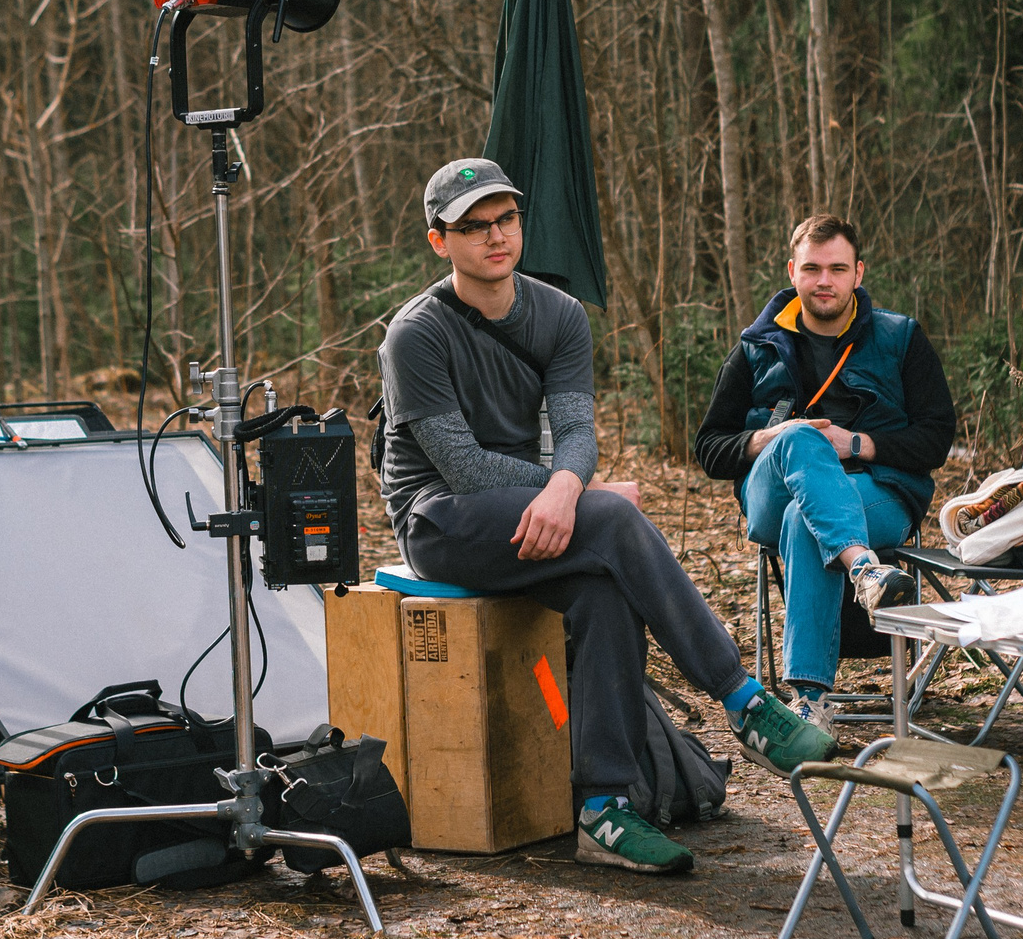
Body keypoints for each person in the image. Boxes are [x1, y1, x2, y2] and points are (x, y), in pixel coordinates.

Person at [378, 158, 837, 875]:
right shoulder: (416, 334)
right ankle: (743, 699)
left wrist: (567, 487)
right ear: (441, 241)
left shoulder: (559, 315)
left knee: (604, 592)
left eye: (505, 218)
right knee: (614, 525)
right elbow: (462, 468)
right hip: (441, 519)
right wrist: (572, 492)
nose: (495, 237)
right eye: (473, 226)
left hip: (531, 509)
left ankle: (601, 809)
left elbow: (578, 433)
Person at [695, 215, 958, 720]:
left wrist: (856, 443)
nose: (824, 281)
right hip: (772, 492)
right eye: (812, 269)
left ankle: (810, 701)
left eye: (837, 269)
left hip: (879, 491)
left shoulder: (901, 338)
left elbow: (936, 438)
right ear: (792, 272)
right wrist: (769, 438)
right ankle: (863, 569)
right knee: (795, 437)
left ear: (858, 273)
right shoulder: (758, 346)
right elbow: (709, 446)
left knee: (805, 521)